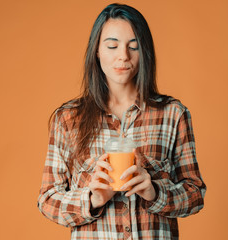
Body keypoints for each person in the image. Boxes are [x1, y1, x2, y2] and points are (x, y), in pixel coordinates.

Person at [37, 3, 206, 240]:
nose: (123, 56)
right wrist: (93, 199)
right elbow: (47, 199)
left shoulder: (172, 114)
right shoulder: (67, 118)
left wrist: (155, 192)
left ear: (144, 51)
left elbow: (195, 194)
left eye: (133, 46)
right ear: (97, 50)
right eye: (112, 45)